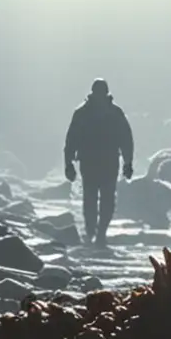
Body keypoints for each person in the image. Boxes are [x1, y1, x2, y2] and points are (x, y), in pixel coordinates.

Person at [63, 79, 134, 247]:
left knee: (106, 200)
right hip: (90, 162)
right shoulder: (83, 113)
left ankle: (100, 232)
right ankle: (91, 231)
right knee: (90, 198)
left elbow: (126, 139)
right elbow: (71, 140)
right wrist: (68, 163)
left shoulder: (115, 113)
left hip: (107, 162)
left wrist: (128, 162)